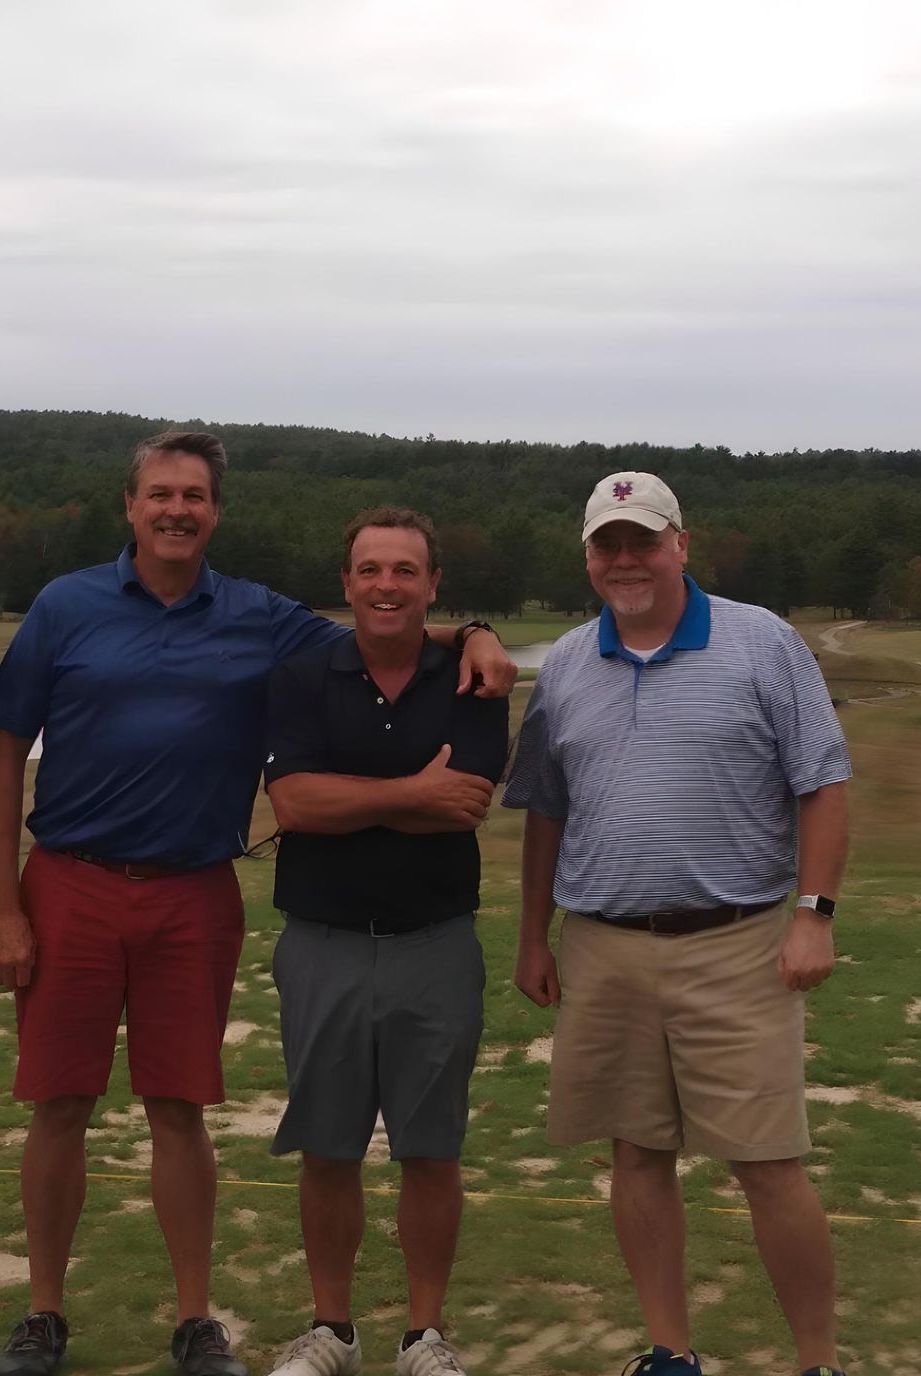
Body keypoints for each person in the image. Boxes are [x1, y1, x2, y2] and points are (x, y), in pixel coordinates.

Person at [0, 432, 516, 1376]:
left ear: (215, 511)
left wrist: (470, 632)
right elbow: (3, 757)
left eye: (194, 495)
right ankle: (44, 1313)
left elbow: (382, 627)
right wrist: (1, 906)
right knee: (59, 1103)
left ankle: (196, 1322)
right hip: (68, 880)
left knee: (177, 1106)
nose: (177, 509)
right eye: (160, 493)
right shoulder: (67, 606)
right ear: (132, 506)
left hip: (193, 888)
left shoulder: (260, 615)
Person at [504, 471, 852, 1376]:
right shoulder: (571, 663)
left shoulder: (762, 642)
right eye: (606, 545)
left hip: (736, 942)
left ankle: (818, 1361)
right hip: (606, 944)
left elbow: (823, 782)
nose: (625, 560)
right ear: (587, 557)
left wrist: (813, 914)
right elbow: (544, 809)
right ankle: (670, 1351)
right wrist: (532, 935)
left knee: (768, 1164)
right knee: (637, 1154)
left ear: (680, 545)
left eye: (642, 541)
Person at [260, 508, 509, 1376]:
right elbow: (293, 806)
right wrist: (409, 793)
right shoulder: (298, 677)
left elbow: (466, 799)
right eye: (370, 569)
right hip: (321, 941)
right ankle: (332, 1330)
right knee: (328, 1147)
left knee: (430, 1149)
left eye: (406, 570)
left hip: (436, 944)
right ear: (347, 582)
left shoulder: (477, 678)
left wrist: (351, 794)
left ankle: (424, 1337)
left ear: (434, 584)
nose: (387, 585)